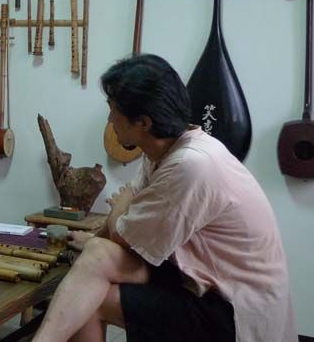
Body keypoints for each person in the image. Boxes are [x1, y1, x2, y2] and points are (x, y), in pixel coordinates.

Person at [33, 54, 296, 342]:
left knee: (92, 301)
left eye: (113, 110)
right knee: (96, 256)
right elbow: (126, 222)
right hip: (200, 280)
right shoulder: (162, 151)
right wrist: (96, 237)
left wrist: (119, 211)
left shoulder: (191, 164)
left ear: (143, 122)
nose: (109, 119)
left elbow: (125, 227)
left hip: (235, 308)